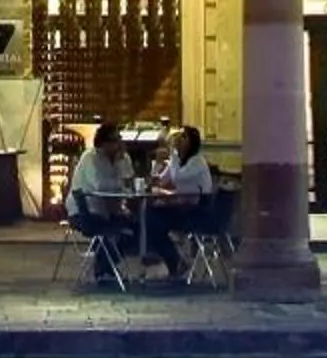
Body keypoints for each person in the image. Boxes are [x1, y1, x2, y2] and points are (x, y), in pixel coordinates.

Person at [144, 123, 215, 287]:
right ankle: (172, 261)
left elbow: (178, 177)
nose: (179, 140)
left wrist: (172, 154)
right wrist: (157, 164)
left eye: (184, 137)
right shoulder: (177, 161)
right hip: (183, 208)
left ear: (192, 142)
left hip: (198, 212)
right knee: (151, 217)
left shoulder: (197, 162)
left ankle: (172, 261)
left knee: (153, 221)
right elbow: (161, 180)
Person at [65, 125, 136, 287]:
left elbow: (129, 180)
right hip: (85, 212)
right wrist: (121, 185)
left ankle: (105, 268)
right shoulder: (90, 158)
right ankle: (103, 270)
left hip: (109, 210)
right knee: (112, 231)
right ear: (104, 143)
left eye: (120, 139)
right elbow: (98, 185)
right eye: (115, 140)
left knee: (135, 228)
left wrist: (122, 162)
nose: (119, 144)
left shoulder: (121, 159)